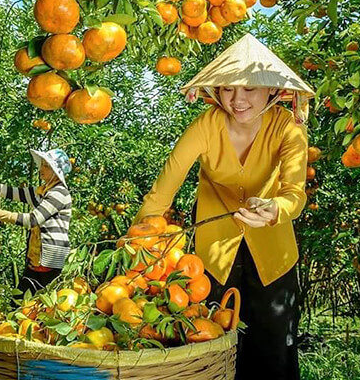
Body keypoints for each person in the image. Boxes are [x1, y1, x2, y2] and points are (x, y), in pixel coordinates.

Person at [132, 33, 313, 380]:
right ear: (216, 91)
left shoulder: (288, 129)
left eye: (249, 88)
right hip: (214, 257)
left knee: (275, 350)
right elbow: (164, 188)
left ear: (272, 90)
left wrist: (275, 209)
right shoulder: (206, 126)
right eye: (228, 89)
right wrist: (139, 244)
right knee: (215, 348)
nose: (237, 99)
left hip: (273, 256)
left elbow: (295, 192)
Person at [0, 148, 73, 299]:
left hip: (50, 260)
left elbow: (33, 220)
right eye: (42, 164)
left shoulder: (59, 193)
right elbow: (15, 193)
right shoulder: (43, 191)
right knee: (23, 302)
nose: (41, 169)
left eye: (46, 166)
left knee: (31, 302)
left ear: (55, 172)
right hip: (37, 258)